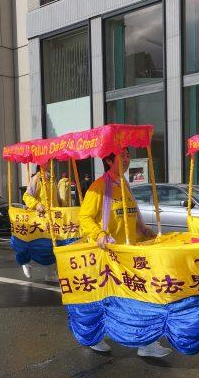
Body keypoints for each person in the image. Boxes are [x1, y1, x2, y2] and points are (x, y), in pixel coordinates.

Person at [78, 149, 170, 358]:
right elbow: (85, 217)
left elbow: (131, 214)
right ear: (109, 160)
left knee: (140, 296)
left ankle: (147, 342)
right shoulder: (99, 187)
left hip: (129, 254)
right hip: (107, 255)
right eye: (123, 156)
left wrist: (143, 229)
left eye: (128, 156)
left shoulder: (124, 185)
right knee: (102, 299)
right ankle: (95, 336)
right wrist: (99, 235)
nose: (127, 160)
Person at [21, 165, 59, 279]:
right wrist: (36, 204)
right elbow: (26, 196)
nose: (51, 164)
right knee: (36, 244)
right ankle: (26, 262)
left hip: (53, 218)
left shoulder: (52, 178)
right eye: (48, 161)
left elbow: (56, 198)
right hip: (39, 218)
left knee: (53, 245)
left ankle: (51, 274)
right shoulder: (36, 179)